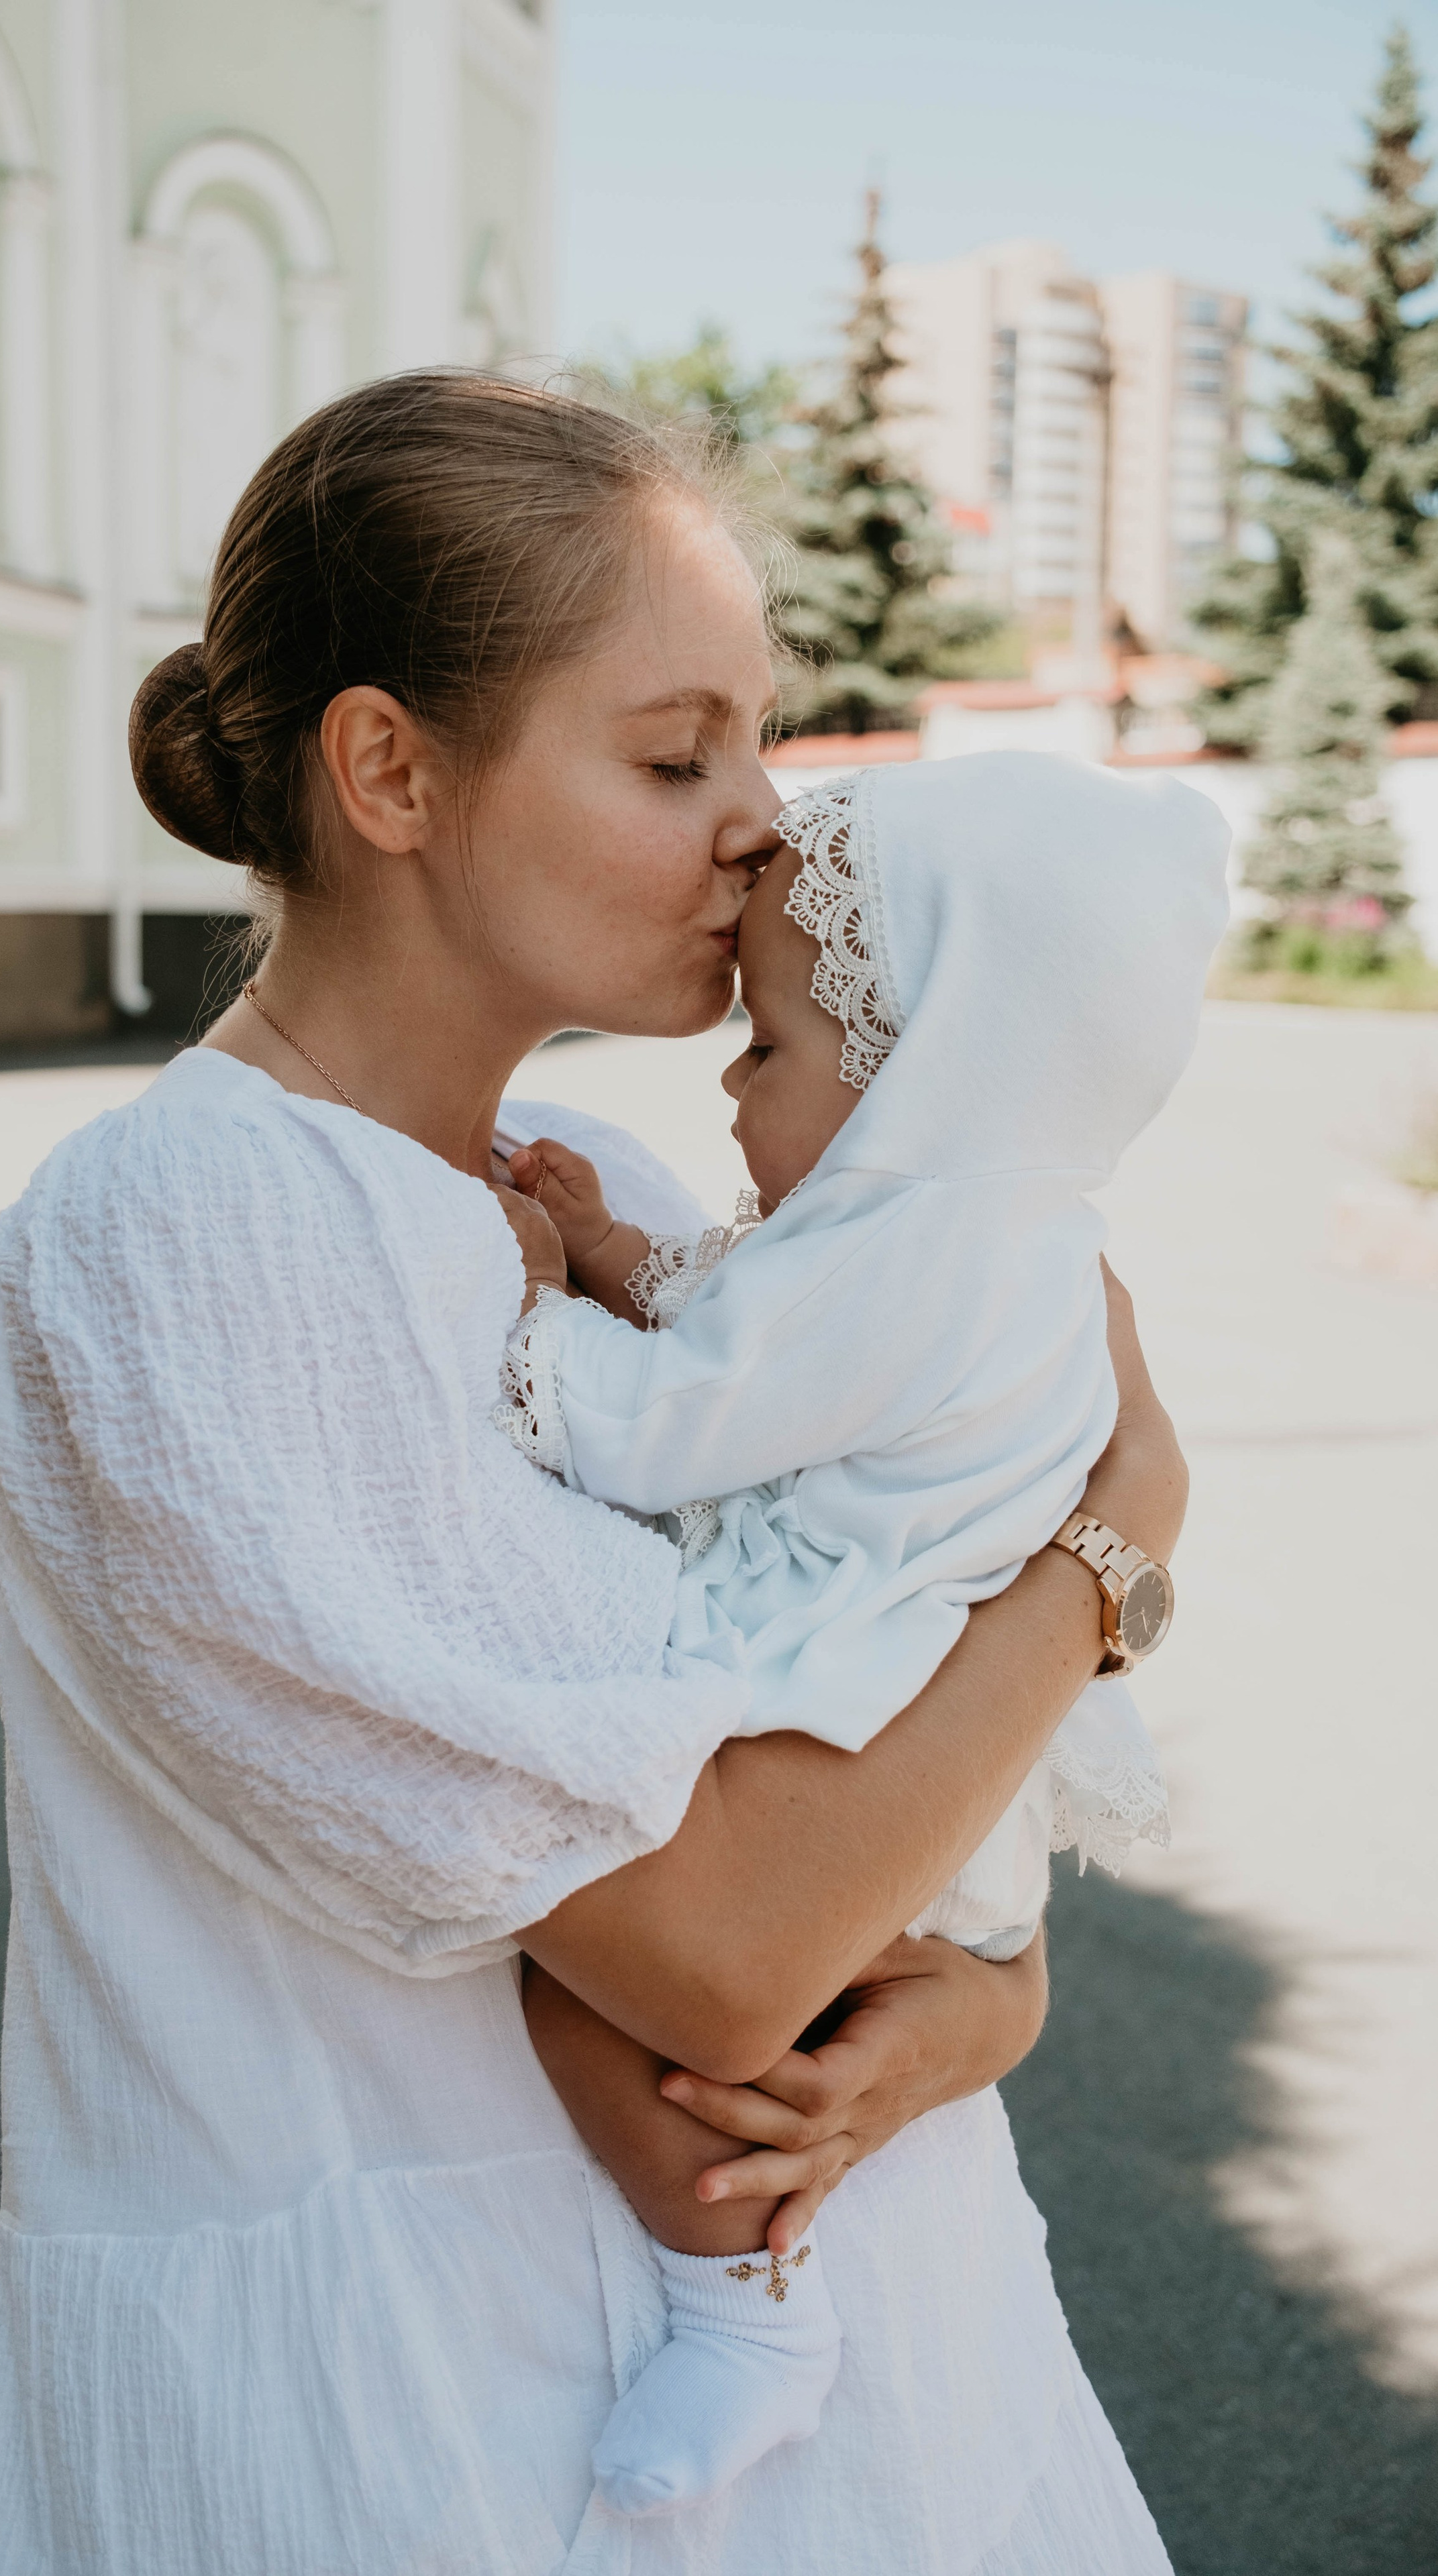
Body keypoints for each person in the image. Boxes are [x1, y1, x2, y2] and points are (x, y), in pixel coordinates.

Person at [0, 371, 1186, 2574]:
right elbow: (717, 1943)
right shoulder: (184, 1234)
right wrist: (1114, 1546)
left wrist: (986, 1997)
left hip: (868, 2380)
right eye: (671, 749)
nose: (762, 822)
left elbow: (853, 1778)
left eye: (763, 742)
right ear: (391, 768)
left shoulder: (608, 1184)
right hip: (437, 2426)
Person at [488, 749, 1228, 2515]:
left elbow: (674, 1419)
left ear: (923, 1073)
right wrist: (618, 1254)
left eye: (773, 1048)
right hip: (943, 1750)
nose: (736, 1091)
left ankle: (741, 2312)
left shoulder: (915, 1244)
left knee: (599, 1999)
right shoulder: (999, 1232)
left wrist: (524, 1312)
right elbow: (755, 1322)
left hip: (842, 1720)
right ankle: (760, 2307)